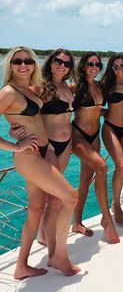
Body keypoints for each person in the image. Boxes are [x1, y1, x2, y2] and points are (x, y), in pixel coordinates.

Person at [0, 46, 79, 278]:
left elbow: (35, 117)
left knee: (35, 209)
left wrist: (18, 130)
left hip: (43, 150)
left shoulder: (27, 88)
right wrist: (15, 145)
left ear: (34, 64)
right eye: (17, 61)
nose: (23, 65)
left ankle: (21, 266)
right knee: (70, 197)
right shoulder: (8, 92)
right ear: (10, 65)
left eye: (28, 60)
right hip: (29, 156)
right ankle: (59, 256)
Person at [71, 52, 119, 243]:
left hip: (94, 136)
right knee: (102, 167)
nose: (94, 67)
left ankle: (77, 222)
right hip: (78, 135)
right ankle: (106, 218)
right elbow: (54, 102)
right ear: (83, 66)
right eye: (90, 63)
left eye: (97, 64)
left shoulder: (99, 86)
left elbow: (98, 110)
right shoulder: (75, 88)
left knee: (85, 179)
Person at [37, 49, 76, 245]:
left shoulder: (69, 87)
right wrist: (16, 130)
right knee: (57, 194)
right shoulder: (41, 87)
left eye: (67, 63)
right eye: (59, 61)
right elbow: (24, 111)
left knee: (53, 193)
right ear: (51, 62)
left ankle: (43, 235)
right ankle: (46, 237)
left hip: (66, 145)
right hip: (50, 146)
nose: (62, 65)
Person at [101, 54, 123, 226]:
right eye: (115, 67)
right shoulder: (105, 86)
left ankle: (116, 201)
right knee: (120, 164)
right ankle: (116, 204)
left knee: (122, 165)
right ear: (111, 69)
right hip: (111, 128)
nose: (119, 69)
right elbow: (91, 100)